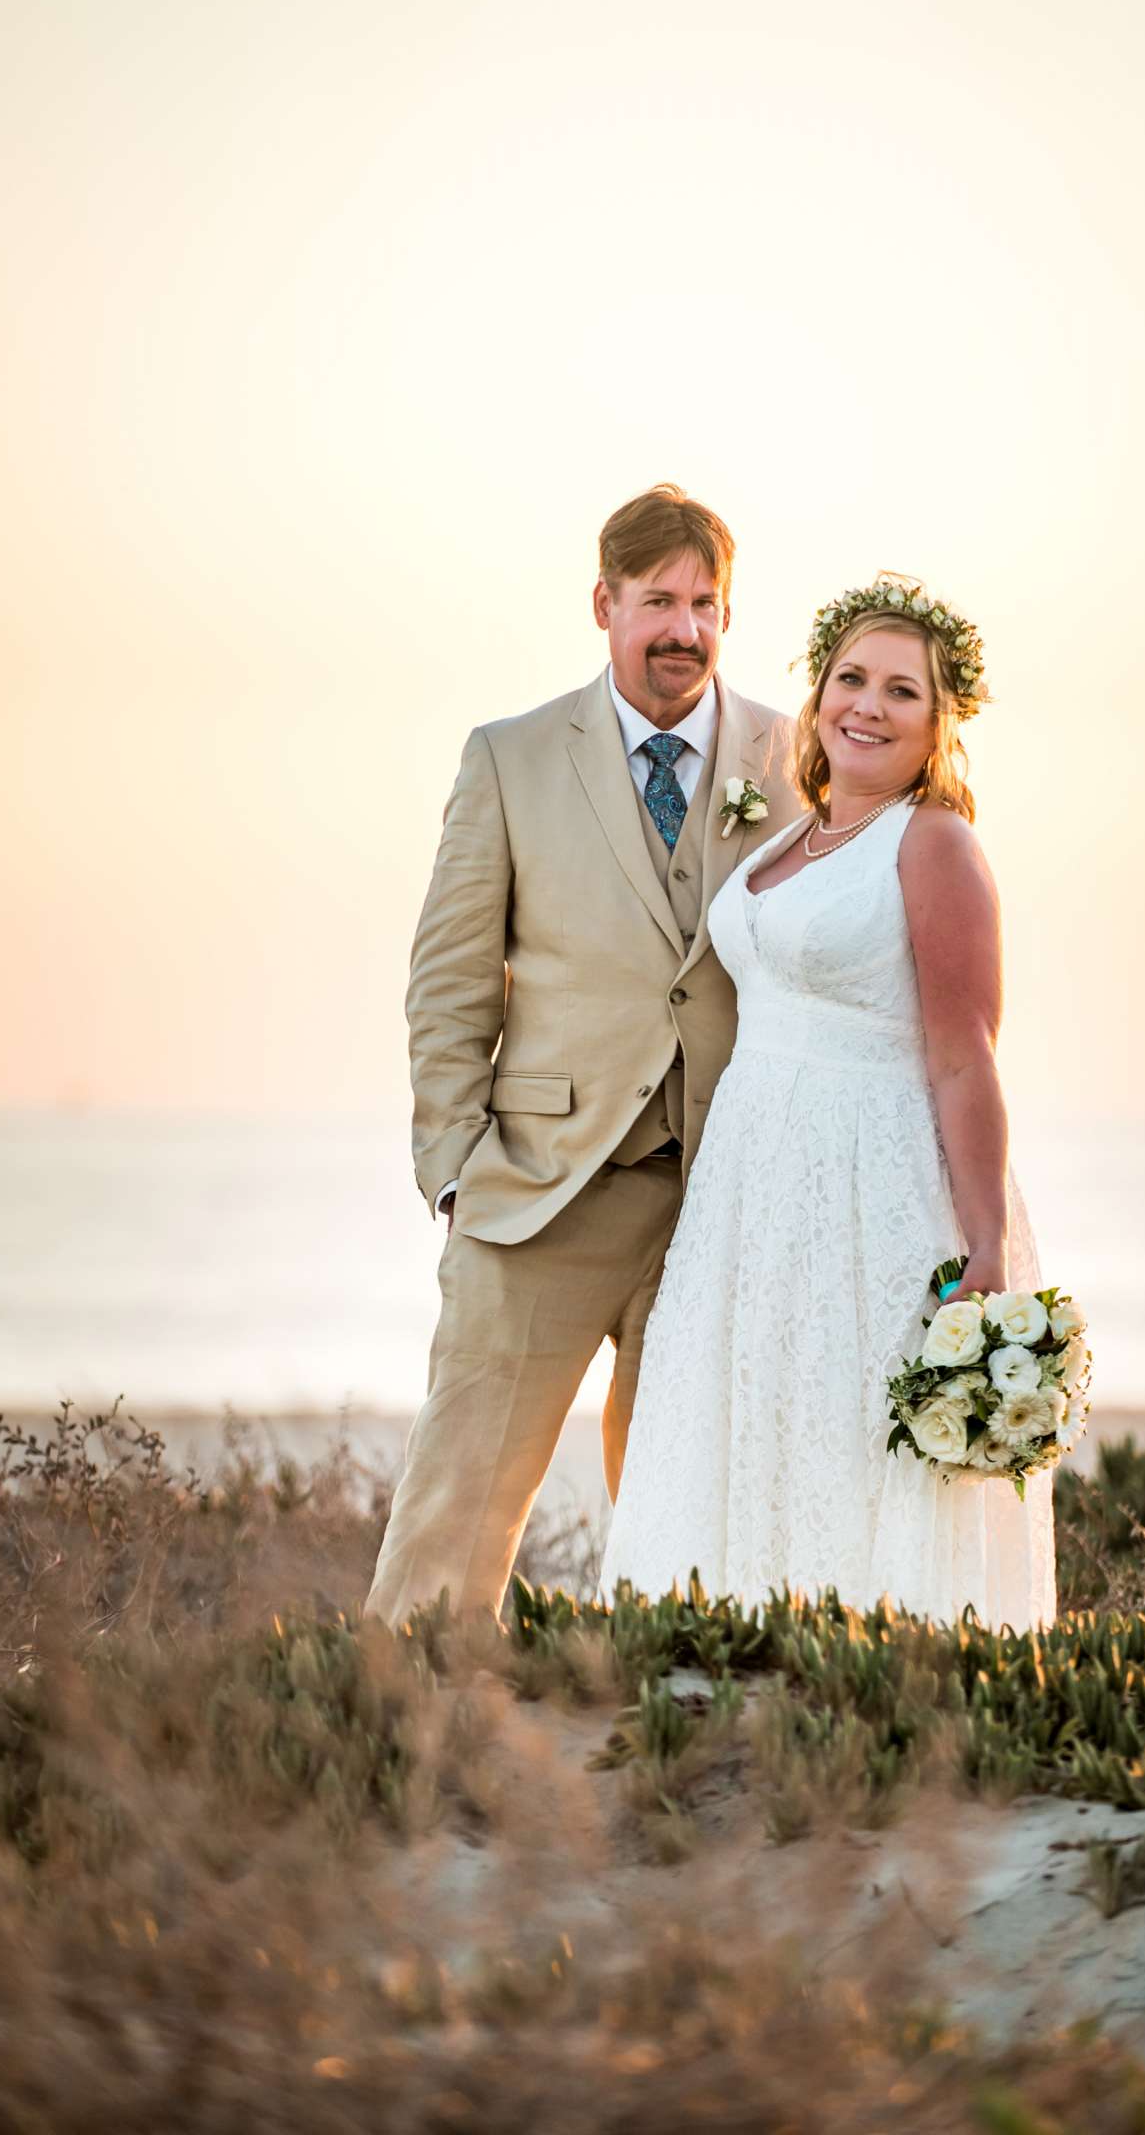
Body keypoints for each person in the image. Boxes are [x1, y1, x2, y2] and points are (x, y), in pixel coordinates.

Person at [365, 485, 798, 1630]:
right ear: (604, 604)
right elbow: (448, 979)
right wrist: (453, 1165)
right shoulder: (509, 760)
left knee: (689, 1528)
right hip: (538, 1190)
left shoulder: (791, 756)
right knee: (454, 1524)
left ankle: (671, 1754)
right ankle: (400, 1743)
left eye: (707, 605)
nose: (685, 631)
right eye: (659, 601)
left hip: (718, 1200)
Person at [597, 576, 1058, 1630]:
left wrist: (986, 1244)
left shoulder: (931, 843)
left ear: (940, 724)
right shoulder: (784, 841)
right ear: (816, 701)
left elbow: (963, 1056)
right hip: (751, 1192)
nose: (868, 705)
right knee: (757, 1417)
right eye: (850, 678)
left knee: (851, 1429)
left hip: (870, 1183)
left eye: (903, 691)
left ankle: (880, 1678)